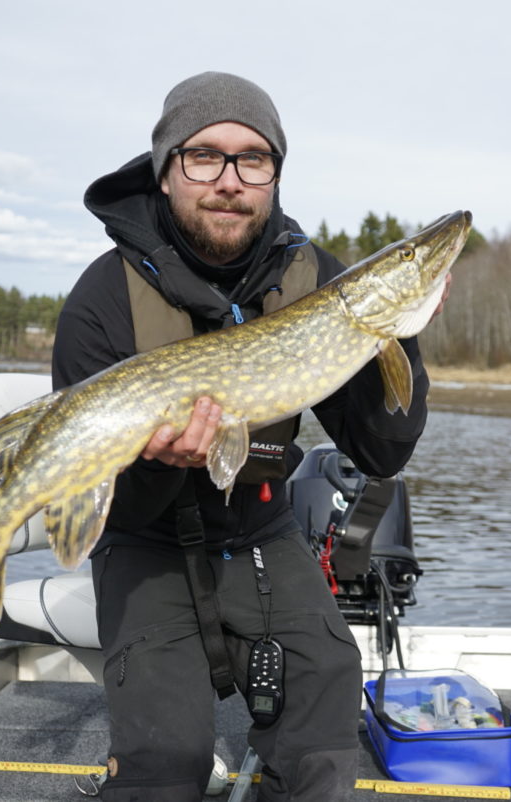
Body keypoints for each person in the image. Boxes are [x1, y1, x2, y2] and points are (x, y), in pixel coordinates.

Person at [52, 71, 437, 802]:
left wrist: (400, 330)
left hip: (262, 525)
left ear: (274, 177)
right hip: (145, 536)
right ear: (166, 173)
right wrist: (161, 466)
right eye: (204, 156)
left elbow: (382, 453)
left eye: (252, 159)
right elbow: (100, 499)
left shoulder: (321, 285)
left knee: (325, 729)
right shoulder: (99, 303)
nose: (229, 178)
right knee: (167, 765)